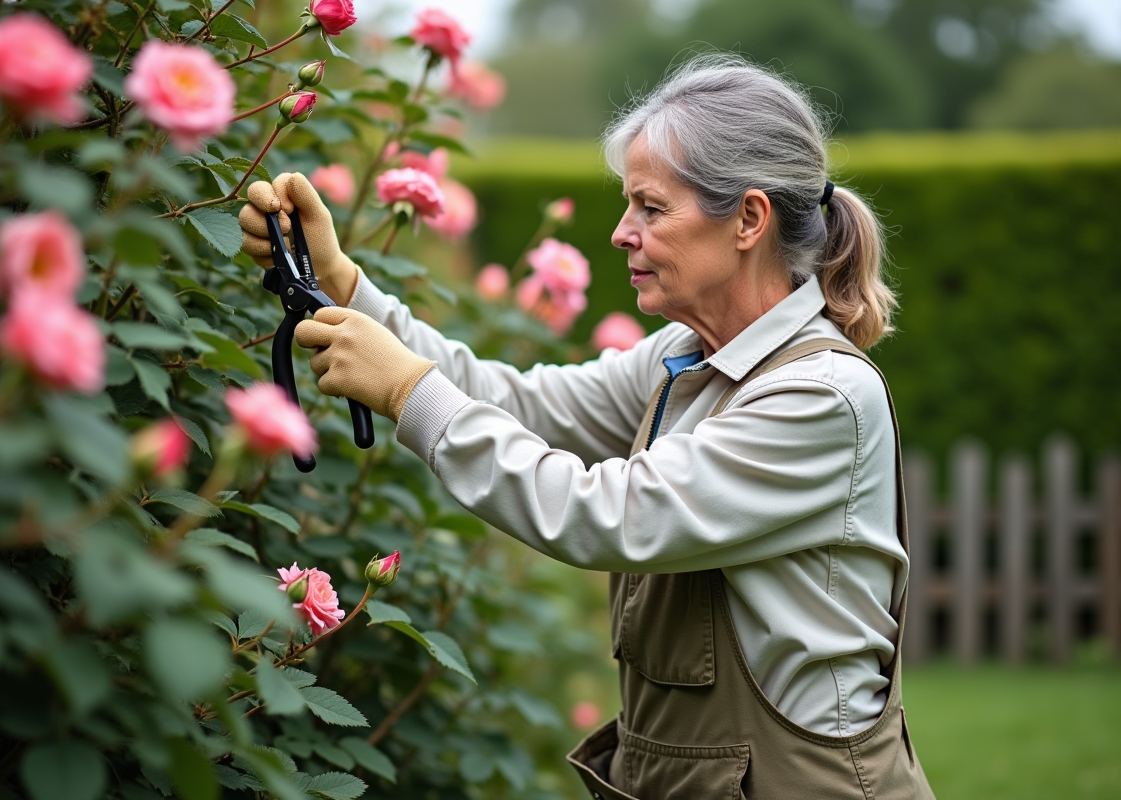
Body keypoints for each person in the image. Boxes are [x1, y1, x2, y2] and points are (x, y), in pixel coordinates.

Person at [240, 53, 934, 800]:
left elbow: (608, 515)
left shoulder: (820, 397)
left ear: (749, 219)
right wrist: (344, 284)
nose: (620, 233)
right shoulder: (687, 355)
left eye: (651, 207)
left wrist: (409, 390)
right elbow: (521, 404)